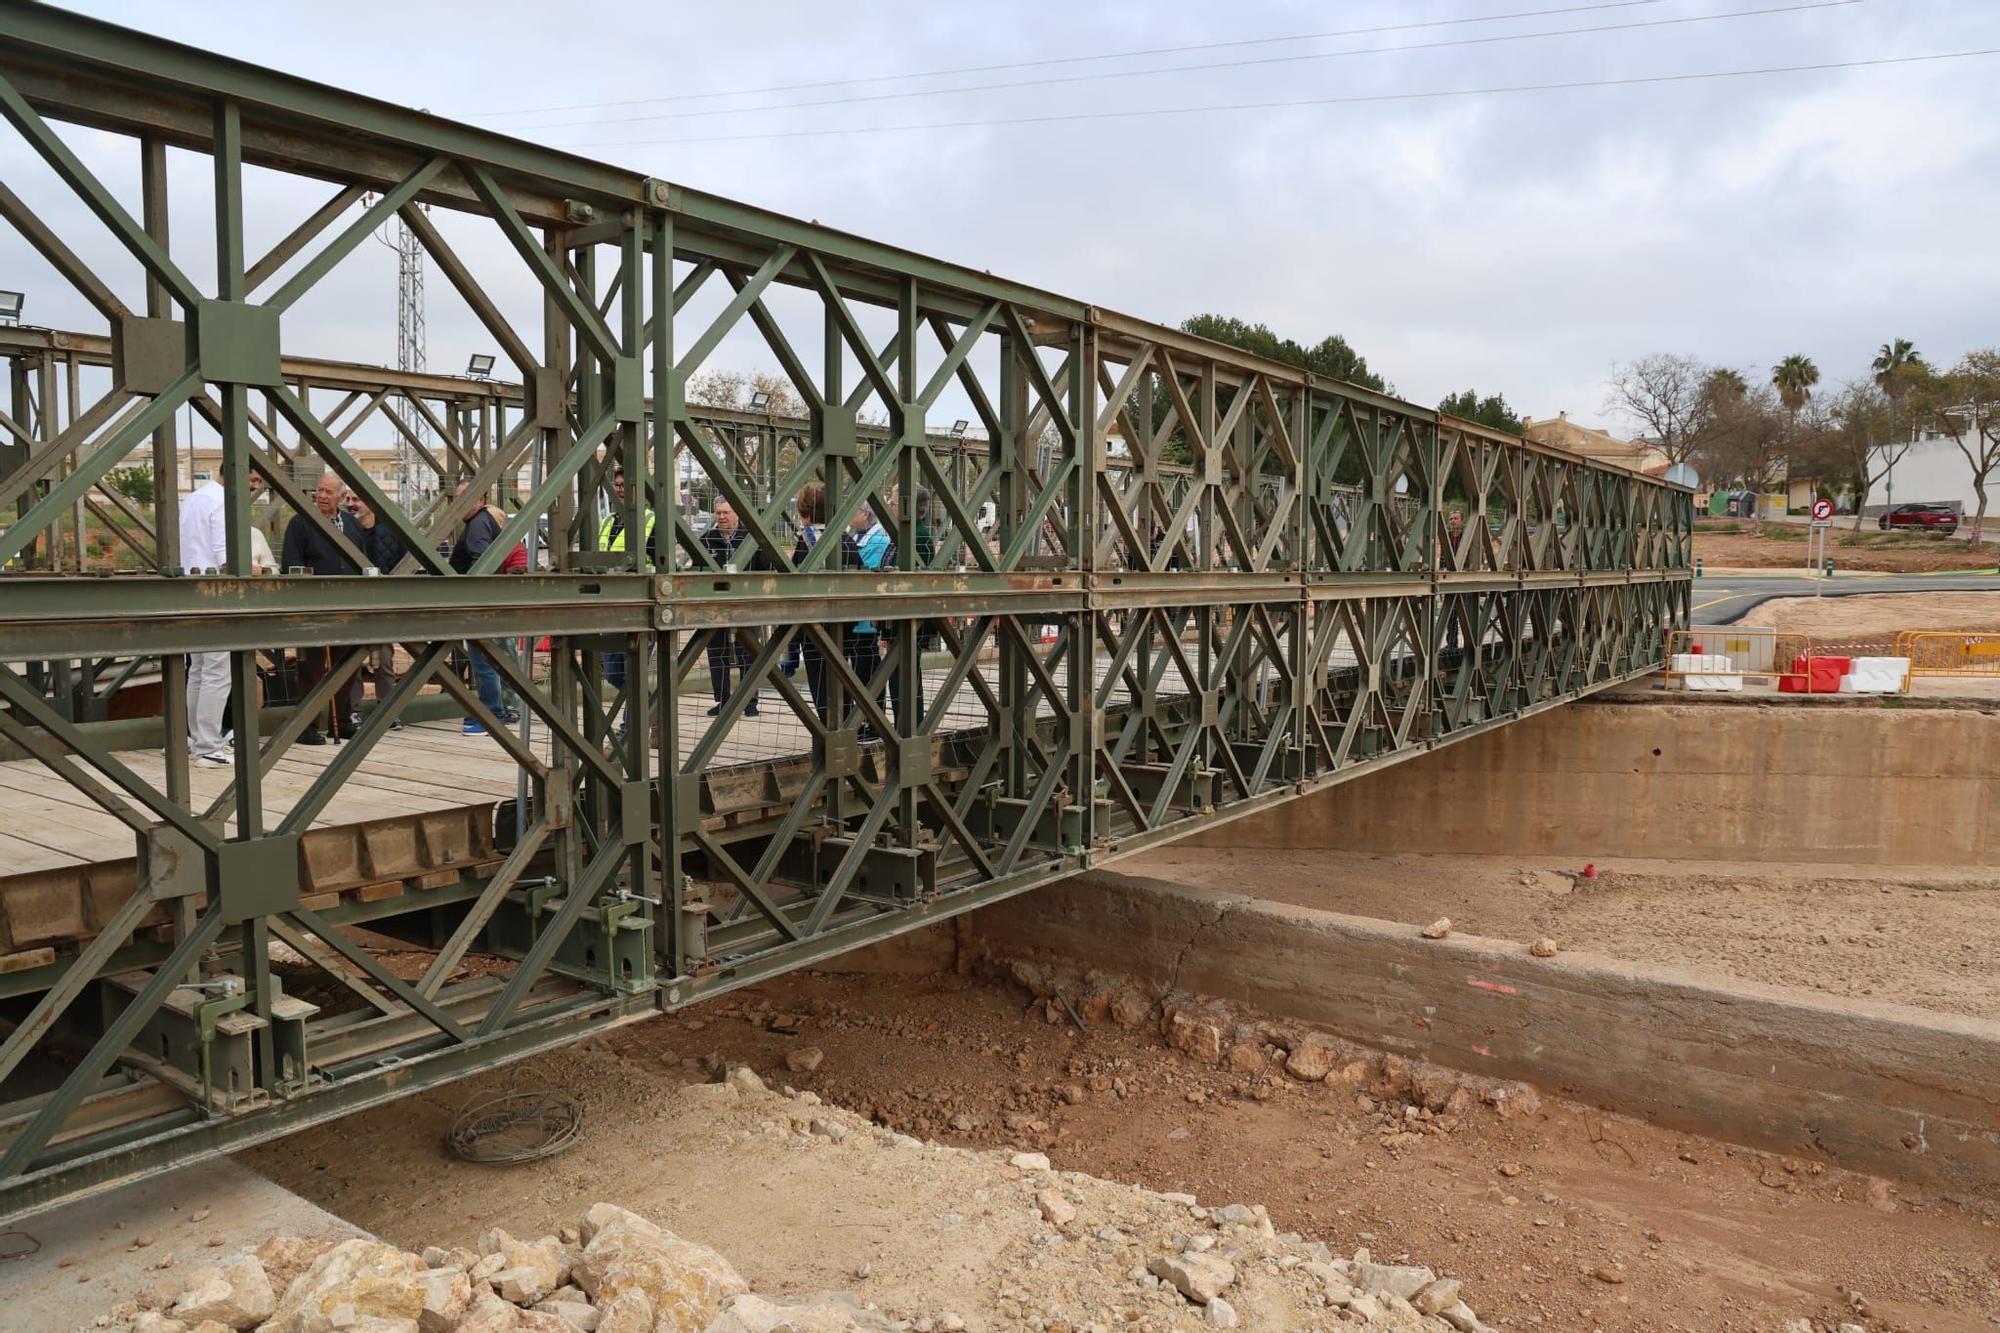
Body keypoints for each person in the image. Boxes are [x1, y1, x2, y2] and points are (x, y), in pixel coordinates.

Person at [280, 472, 366, 745]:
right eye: (319, 491)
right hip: (314, 607)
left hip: (348, 605)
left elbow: (362, 561)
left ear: (342, 496)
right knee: (311, 667)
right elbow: (291, 565)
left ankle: (339, 722)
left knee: (347, 665)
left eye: (329, 492)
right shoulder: (301, 524)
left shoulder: (352, 525)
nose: (322, 496)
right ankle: (306, 727)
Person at [446, 478, 520, 736]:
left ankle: (492, 713)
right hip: (491, 599)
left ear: (481, 500)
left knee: (482, 660)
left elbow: (482, 562)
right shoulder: (484, 520)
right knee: (492, 656)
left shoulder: (477, 525)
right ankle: (502, 709)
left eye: (466, 498)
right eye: (457, 498)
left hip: (479, 601)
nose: (460, 504)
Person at [791, 482, 861, 726]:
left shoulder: (805, 542)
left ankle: (829, 731)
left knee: (821, 684)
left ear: (806, 511)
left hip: (815, 627)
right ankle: (847, 726)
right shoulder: (847, 541)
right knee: (843, 678)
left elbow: (795, 585)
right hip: (847, 626)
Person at [177, 472, 231, 765]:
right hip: (215, 594)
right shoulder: (222, 502)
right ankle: (208, 746)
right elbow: (225, 558)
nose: (255, 486)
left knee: (197, 669)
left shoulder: (193, 499)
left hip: (190, 590)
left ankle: (197, 739)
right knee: (217, 672)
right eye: (253, 480)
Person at [597, 465, 655, 736]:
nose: (619, 489)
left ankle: (630, 729)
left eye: (625, 485)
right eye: (617, 484)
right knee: (614, 675)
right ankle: (651, 706)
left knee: (633, 674)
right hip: (610, 609)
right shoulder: (609, 521)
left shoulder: (650, 521)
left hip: (638, 609)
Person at [350, 494, 405, 730]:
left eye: (356, 499)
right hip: (353, 603)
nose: (351, 503)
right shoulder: (346, 529)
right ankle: (352, 711)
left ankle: (388, 710)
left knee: (384, 659)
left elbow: (404, 562)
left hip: (381, 604)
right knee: (351, 660)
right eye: (349, 498)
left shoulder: (390, 531)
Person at [700, 499, 759, 715]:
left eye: (726, 512)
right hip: (715, 607)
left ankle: (750, 701)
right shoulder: (706, 539)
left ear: (738, 514)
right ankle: (723, 700)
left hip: (746, 606)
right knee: (716, 652)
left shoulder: (752, 539)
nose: (722, 517)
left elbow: (766, 568)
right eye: (718, 513)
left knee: (749, 653)